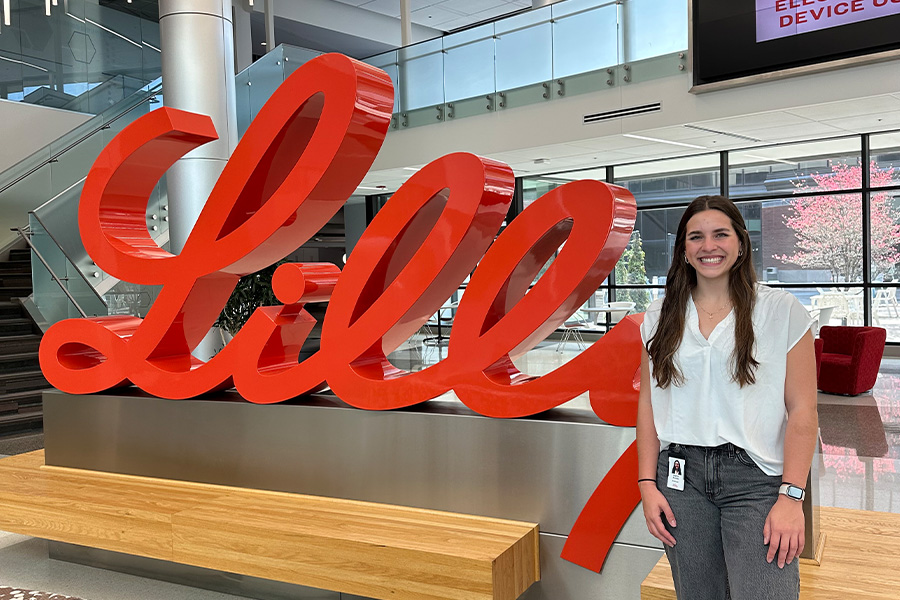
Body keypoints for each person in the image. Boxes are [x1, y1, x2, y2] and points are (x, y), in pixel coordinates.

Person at [637, 195, 818, 600]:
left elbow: (803, 410)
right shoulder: (659, 314)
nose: (709, 246)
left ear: (741, 243)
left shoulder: (780, 310)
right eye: (696, 237)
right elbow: (650, 404)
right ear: (683, 249)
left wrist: (792, 495)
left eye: (721, 234)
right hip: (681, 481)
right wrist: (647, 483)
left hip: (755, 480)